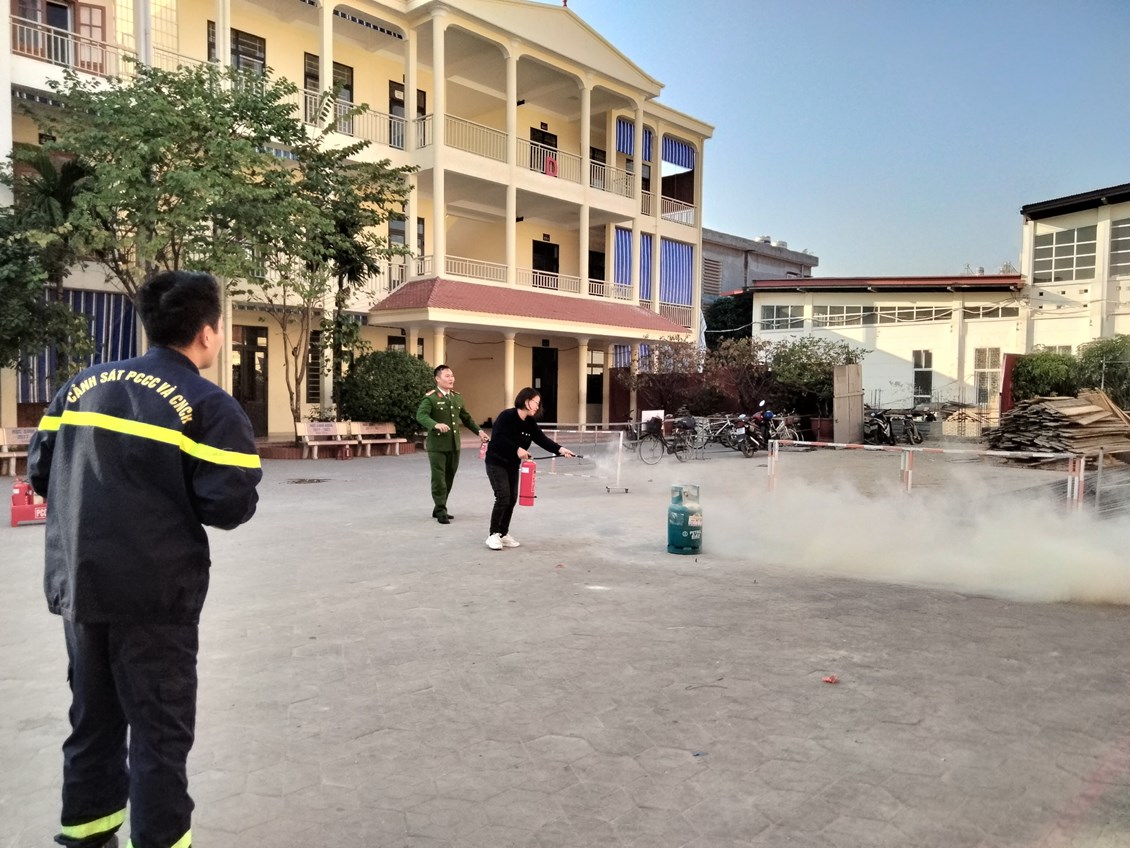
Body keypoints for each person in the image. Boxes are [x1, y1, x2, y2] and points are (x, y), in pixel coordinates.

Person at [27, 270, 263, 848]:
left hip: (81, 589)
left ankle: (85, 835)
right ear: (207, 332)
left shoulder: (80, 386)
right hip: (155, 599)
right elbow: (228, 505)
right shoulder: (208, 404)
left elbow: (41, 473)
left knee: (92, 721)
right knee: (159, 734)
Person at [483, 387, 576, 551]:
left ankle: (503, 534)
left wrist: (561, 450)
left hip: (512, 464)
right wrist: (517, 449)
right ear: (526, 401)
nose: (537, 407)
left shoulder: (530, 422)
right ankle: (493, 534)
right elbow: (497, 439)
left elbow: (542, 439)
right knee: (503, 496)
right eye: (536, 403)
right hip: (496, 462)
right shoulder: (507, 416)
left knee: (512, 498)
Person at [416, 364, 488, 524]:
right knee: (439, 479)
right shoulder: (431, 398)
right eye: (447, 376)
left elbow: (466, 418)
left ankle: (439, 506)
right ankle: (441, 510)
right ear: (437, 379)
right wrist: (435, 424)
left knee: (449, 478)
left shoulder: (456, 397)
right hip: (437, 447)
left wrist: (479, 431)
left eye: (452, 376)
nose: (451, 379)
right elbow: (421, 416)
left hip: (454, 445)